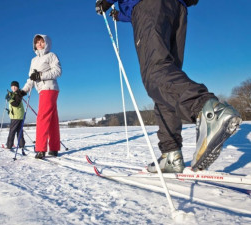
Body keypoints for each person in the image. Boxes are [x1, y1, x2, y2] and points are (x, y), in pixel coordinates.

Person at [95, 0, 242, 172]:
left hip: (149, 5)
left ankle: (207, 110)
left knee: (155, 74)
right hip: (177, 9)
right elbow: (133, 13)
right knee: (167, 84)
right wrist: (120, 16)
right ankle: (171, 154)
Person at [21, 34, 62, 159]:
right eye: (37, 42)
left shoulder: (51, 55)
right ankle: (54, 148)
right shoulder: (33, 61)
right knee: (52, 119)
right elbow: (31, 79)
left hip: (49, 88)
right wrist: (23, 91)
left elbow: (58, 71)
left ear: (46, 43)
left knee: (42, 118)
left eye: (42, 41)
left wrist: (40, 76)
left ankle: (40, 149)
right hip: (43, 90)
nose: (39, 44)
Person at [5, 81, 26, 151]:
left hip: (16, 116)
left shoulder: (18, 94)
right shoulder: (15, 94)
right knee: (19, 130)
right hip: (19, 115)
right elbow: (15, 106)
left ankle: (9, 145)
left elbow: (16, 104)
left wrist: (9, 100)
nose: (13, 87)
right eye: (12, 86)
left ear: (18, 87)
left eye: (15, 86)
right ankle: (21, 145)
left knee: (12, 131)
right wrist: (10, 111)